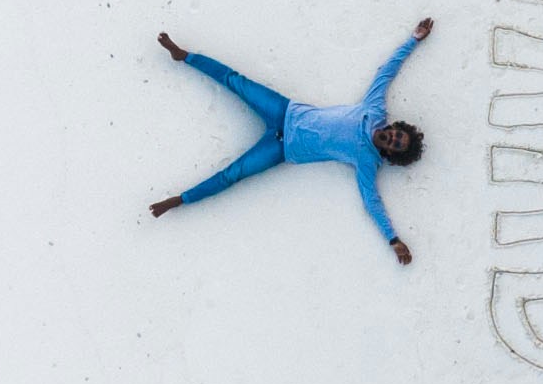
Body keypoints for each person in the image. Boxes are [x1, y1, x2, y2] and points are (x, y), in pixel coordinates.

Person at [150, 16, 432, 263]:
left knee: (232, 176)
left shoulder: (367, 160)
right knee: (235, 80)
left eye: (395, 145)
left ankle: (181, 200)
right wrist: (413, 40)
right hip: (285, 111)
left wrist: (393, 240)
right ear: (395, 127)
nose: (393, 139)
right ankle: (184, 56)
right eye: (398, 135)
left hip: (281, 149)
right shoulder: (374, 111)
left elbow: (372, 202)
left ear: (390, 153)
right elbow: (387, 72)